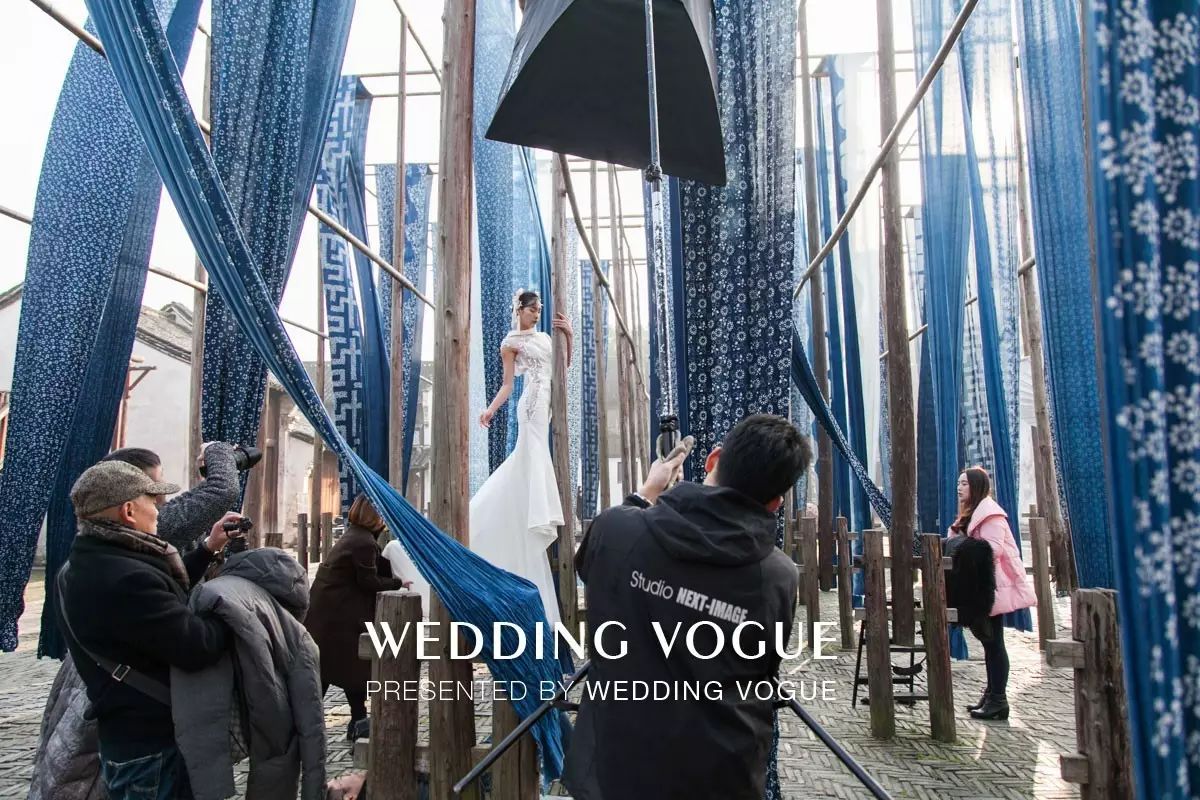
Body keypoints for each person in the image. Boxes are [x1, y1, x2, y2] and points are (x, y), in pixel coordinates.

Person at [563, 414, 810, 800]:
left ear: (713, 459)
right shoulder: (779, 576)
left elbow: (590, 563)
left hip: (616, 771)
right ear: (776, 503)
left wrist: (646, 493)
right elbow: (763, 670)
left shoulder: (617, 530)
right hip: (722, 777)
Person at [58, 460, 235, 800]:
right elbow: (198, 646)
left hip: (127, 736)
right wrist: (236, 610)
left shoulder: (87, 562)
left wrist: (207, 548)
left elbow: (159, 603)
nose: (158, 510)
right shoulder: (125, 578)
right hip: (151, 747)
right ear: (128, 511)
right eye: (152, 501)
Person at [471, 289, 572, 628]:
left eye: (539, 309)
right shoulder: (510, 342)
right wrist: (489, 410)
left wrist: (569, 336)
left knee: (531, 461)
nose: (537, 314)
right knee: (531, 456)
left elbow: (562, 368)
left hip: (546, 400)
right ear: (519, 310)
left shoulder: (544, 338)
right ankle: (534, 511)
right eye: (532, 310)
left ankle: (529, 511)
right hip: (530, 405)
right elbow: (507, 385)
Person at [305, 494, 410, 742]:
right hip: (339, 620)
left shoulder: (355, 536)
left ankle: (352, 721)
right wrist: (398, 583)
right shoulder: (363, 542)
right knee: (346, 670)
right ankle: (340, 724)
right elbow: (368, 581)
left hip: (330, 617)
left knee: (337, 671)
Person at [948, 466, 1037, 721]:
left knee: (994, 643)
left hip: (992, 587)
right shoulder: (973, 513)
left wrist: (959, 545)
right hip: (980, 587)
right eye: (959, 483)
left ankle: (998, 700)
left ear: (976, 486)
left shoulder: (991, 515)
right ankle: (991, 695)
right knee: (989, 642)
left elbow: (992, 550)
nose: (959, 487)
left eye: (964, 483)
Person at [102, 442, 241, 551]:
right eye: (160, 476)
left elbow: (181, 503)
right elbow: (224, 491)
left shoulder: (114, 525)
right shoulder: (153, 526)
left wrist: (209, 547)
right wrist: (215, 449)